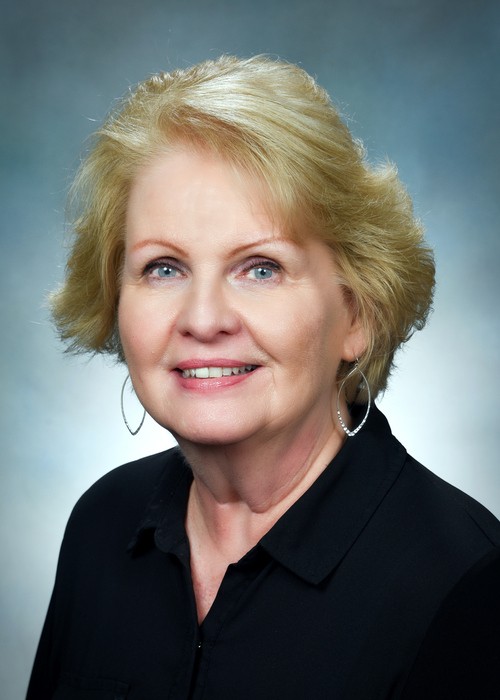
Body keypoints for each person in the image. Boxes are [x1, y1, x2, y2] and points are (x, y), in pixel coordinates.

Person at [27, 56, 500, 699]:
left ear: (356, 313)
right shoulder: (101, 526)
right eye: (164, 268)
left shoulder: (465, 583)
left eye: (260, 268)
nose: (203, 319)